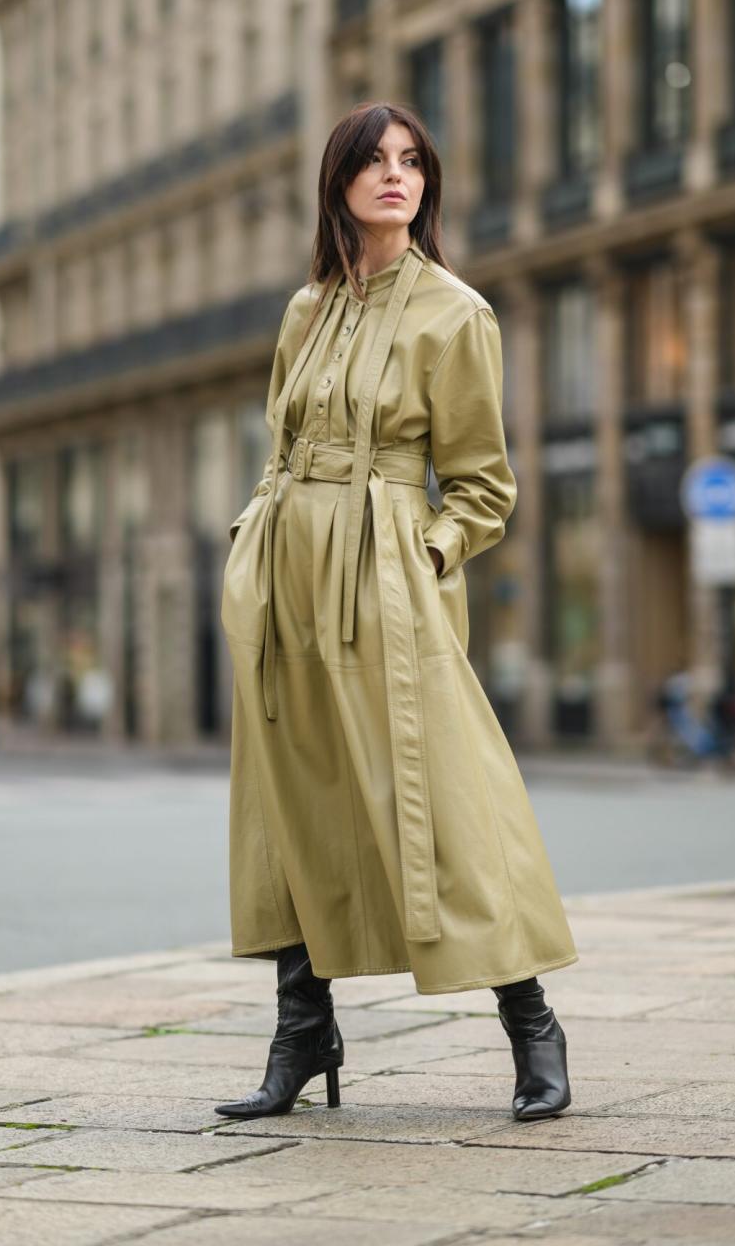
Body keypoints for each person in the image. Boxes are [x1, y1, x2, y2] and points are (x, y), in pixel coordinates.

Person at [216, 102, 578, 1124]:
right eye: (373, 162)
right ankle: (302, 1030)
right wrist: (255, 542)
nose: (394, 176)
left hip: (384, 580)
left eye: (412, 161)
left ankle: (532, 1022)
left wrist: (423, 551)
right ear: (337, 183)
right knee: (291, 809)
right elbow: (279, 449)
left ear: (429, 184)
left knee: (450, 800)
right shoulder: (306, 311)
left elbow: (482, 487)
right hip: (285, 571)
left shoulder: (456, 313)